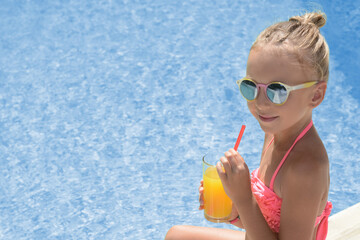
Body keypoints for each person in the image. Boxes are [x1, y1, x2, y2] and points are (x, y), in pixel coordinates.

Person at [165, 10, 332, 240]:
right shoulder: (275, 132)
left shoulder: (306, 168)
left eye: (277, 91)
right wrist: (232, 209)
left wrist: (243, 198)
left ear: (315, 95)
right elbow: (263, 225)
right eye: (250, 87)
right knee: (175, 235)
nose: (260, 103)